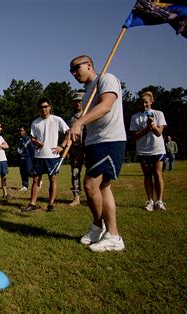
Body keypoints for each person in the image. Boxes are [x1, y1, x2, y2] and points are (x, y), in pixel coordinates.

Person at [67, 55, 126, 252]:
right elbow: (89, 122)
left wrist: (78, 122)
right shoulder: (87, 93)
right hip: (94, 142)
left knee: (91, 185)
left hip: (109, 140)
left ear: (89, 65)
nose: (74, 73)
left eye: (77, 68)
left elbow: (106, 106)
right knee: (103, 187)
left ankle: (111, 233)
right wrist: (81, 143)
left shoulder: (106, 79)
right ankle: (103, 230)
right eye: (71, 71)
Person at [23, 98, 69, 212]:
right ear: (38, 109)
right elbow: (32, 137)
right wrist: (35, 142)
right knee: (36, 180)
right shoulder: (35, 122)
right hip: (39, 156)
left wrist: (62, 146)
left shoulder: (57, 120)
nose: (43, 109)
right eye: (41, 107)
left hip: (52, 156)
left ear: (50, 107)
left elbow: (69, 132)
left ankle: (51, 204)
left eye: (45, 106)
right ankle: (32, 204)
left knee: (52, 179)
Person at [129, 91, 167, 211]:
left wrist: (153, 126)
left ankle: (159, 201)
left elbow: (159, 133)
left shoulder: (159, 114)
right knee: (147, 175)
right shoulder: (135, 117)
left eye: (146, 102)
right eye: (142, 103)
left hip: (157, 149)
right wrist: (147, 128)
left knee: (157, 174)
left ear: (151, 102)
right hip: (143, 150)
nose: (144, 105)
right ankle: (150, 201)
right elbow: (134, 135)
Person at [68, 91, 86, 207]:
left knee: (93, 174)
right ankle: (76, 197)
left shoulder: (89, 113)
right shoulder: (71, 118)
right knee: (75, 173)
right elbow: (68, 135)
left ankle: (94, 196)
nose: (78, 103)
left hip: (89, 147)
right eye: (75, 101)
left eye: (80, 101)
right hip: (75, 149)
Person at [17, 126, 35, 192]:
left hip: (28, 158)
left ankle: (38, 180)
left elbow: (32, 149)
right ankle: (25, 186)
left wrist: (33, 158)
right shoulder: (19, 139)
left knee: (29, 171)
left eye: (22, 130)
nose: (21, 132)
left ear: (25, 131)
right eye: (20, 131)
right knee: (23, 172)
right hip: (21, 158)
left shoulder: (28, 139)